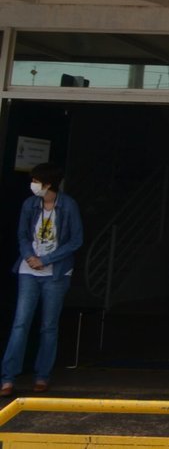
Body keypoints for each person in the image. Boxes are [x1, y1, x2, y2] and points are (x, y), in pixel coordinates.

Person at [0, 163, 82, 395]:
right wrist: (29, 256)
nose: (33, 185)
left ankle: (42, 375)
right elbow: (22, 234)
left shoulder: (68, 205)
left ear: (48, 184)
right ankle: (7, 377)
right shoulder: (30, 204)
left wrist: (47, 259)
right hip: (29, 270)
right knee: (20, 322)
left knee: (48, 325)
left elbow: (75, 240)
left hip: (56, 273)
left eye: (36, 181)